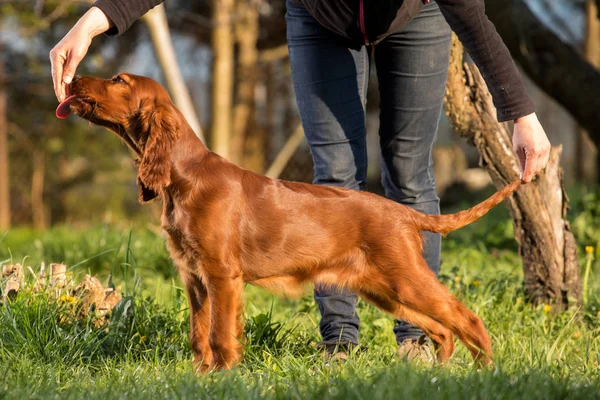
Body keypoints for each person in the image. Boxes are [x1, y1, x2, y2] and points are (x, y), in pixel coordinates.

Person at [50, 0, 551, 362]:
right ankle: (339, 343)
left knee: (409, 170)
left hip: (417, 17)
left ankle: (419, 340)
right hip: (319, 18)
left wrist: (521, 114)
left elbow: (475, 20)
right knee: (334, 171)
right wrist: (94, 20)